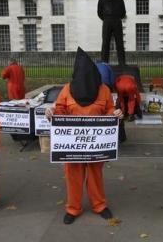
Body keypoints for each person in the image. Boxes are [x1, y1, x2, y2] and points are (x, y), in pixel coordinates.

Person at [45, 47, 123, 225]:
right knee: (73, 175)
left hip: (96, 144)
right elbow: (60, 110)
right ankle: (73, 208)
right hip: (73, 144)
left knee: (96, 174)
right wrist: (51, 113)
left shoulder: (103, 90)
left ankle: (99, 205)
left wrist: (115, 113)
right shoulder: (66, 89)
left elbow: (109, 109)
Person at [98, 0, 126, 65]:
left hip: (117, 20)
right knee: (105, 43)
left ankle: (122, 62)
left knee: (120, 43)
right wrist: (107, 19)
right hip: (107, 21)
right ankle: (104, 62)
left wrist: (116, 17)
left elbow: (123, 12)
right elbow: (99, 12)